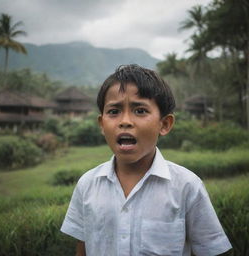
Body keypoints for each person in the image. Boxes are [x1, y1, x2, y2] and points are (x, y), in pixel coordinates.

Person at [61, 64, 232, 256]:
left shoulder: (187, 186)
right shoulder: (87, 185)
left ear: (164, 124)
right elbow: (82, 250)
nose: (125, 121)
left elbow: (212, 250)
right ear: (102, 124)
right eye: (114, 111)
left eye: (140, 110)